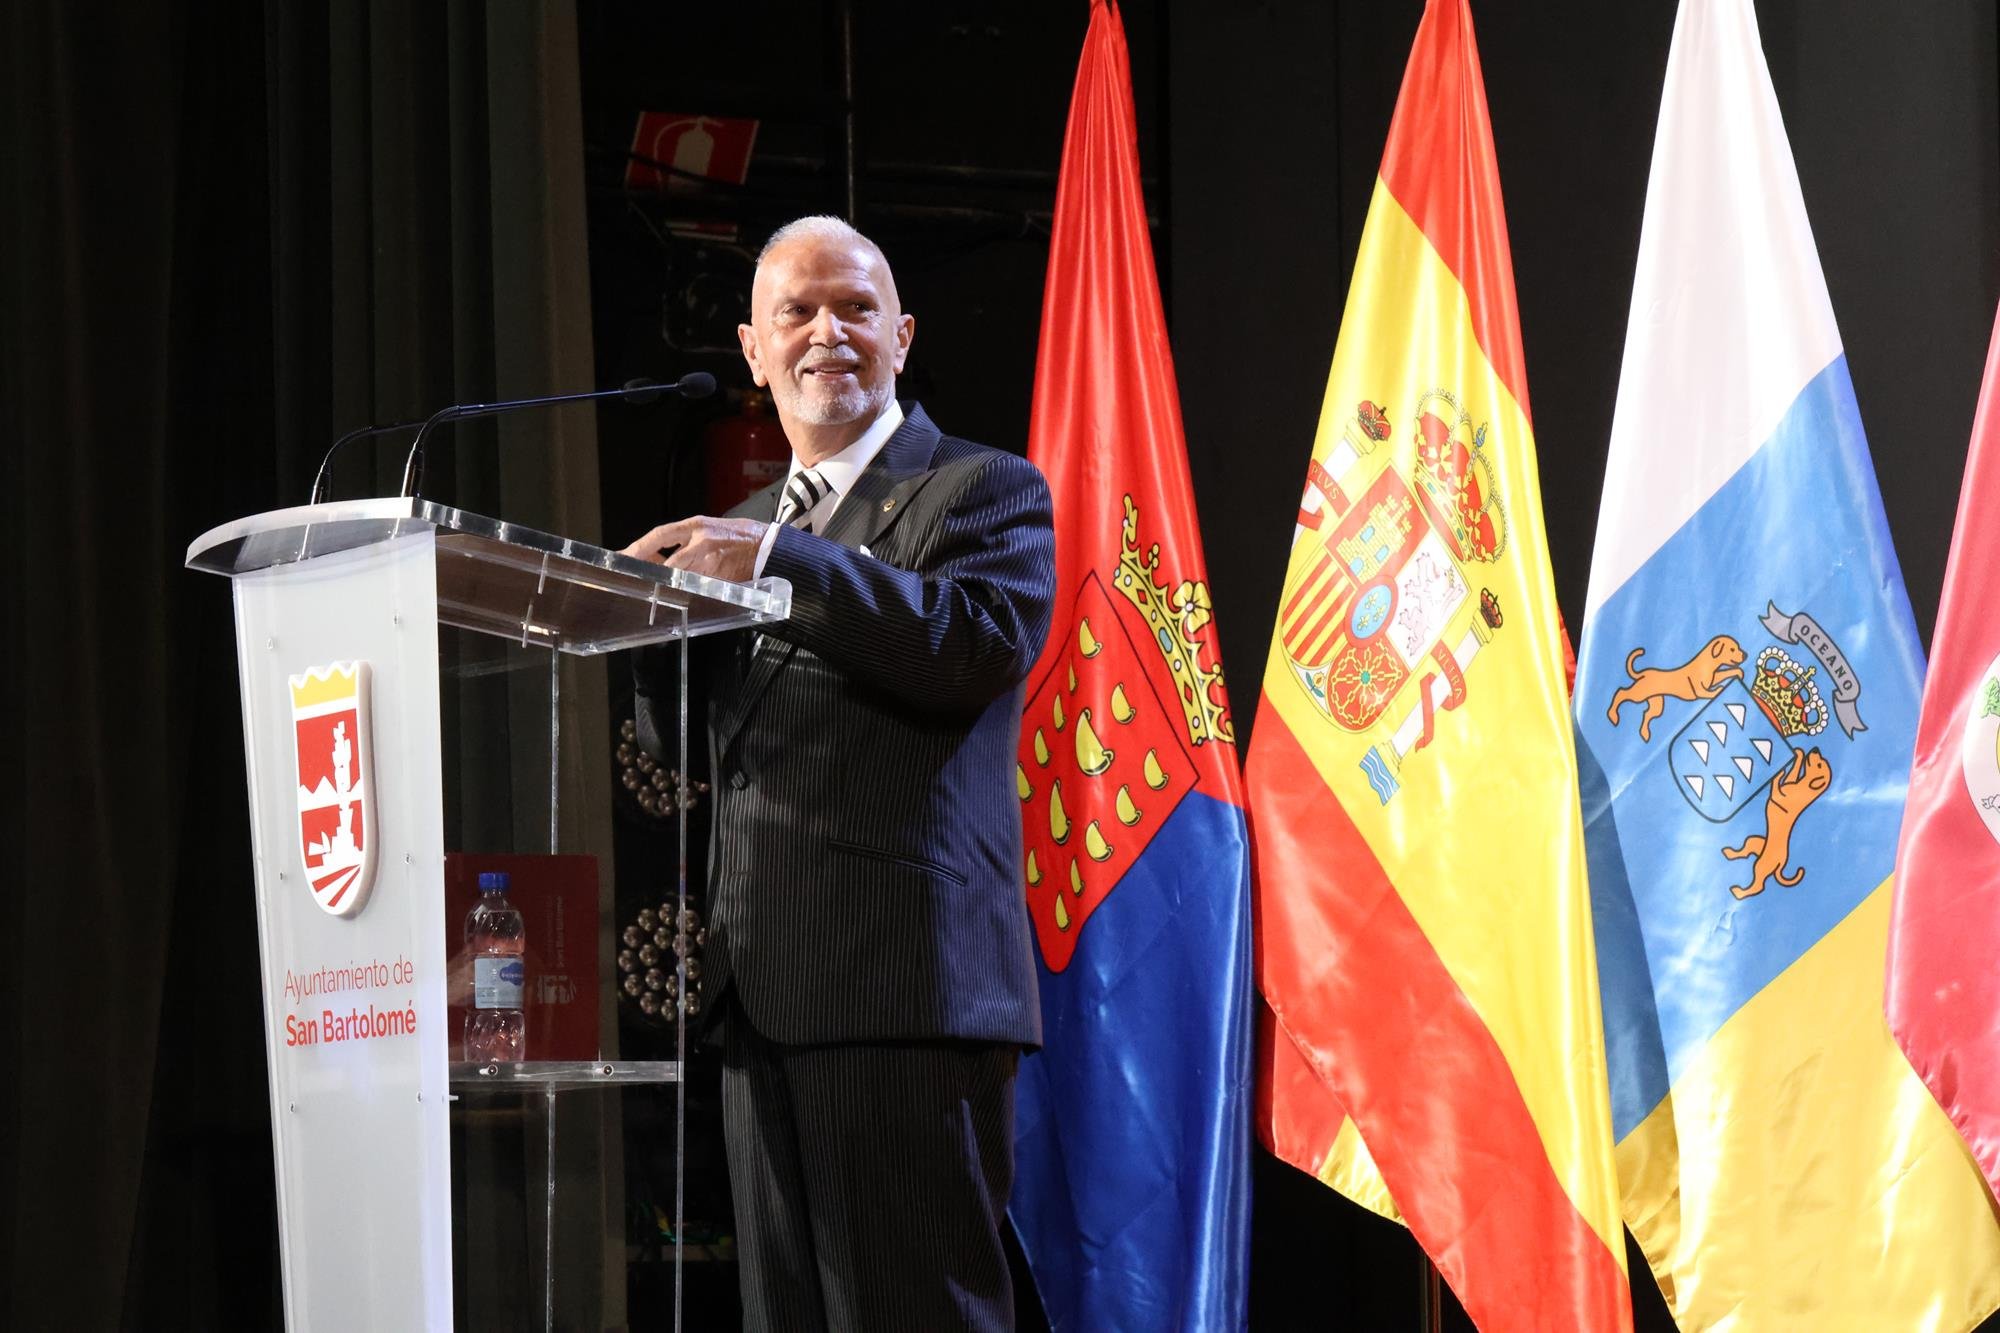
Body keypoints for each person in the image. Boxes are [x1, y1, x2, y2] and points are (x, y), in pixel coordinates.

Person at [622, 215, 1055, 1332]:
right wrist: (636, 635)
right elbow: (688, 752)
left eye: (854, 308)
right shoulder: (732, 532)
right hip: (759, 996)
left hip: (904, 999)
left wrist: (778, 557)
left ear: (901, 336)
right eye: (795, 314)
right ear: (752, 352)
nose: (827, 334)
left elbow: (963, 646)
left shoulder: (980, 491)